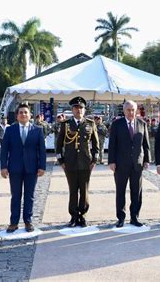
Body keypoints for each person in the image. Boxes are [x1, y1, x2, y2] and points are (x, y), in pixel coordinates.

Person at [0, 103, 46, 233]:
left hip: (32, 168)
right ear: (17, 115)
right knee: (15, 196)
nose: (23, 114)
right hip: (14, 168)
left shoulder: (37, 130)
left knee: (29, 196)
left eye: (26, 112)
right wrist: (3, 167)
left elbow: (41, 150)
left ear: (30, 115)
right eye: (21, 112)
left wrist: (42, 166)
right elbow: (4, 150)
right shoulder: (10, 130)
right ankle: (13, 222)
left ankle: (28, 221)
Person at [55, 96, 99, 227]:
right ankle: (74, 216)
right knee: (73, 190)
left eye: (81, 108)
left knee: (84, 190)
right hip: (70, 163)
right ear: (72, 110)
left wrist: (95, 160)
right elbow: (58, 145)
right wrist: (61, 160)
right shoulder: (66, 125)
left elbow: (96, 144)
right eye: (76, 107)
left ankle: (83, 215)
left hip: (86, 163)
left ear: (84, 110)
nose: (78, 110)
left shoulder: (90, 124)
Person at [108, 100, 150, 227]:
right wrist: (111, 161)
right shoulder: (117, 124)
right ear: (124, 110)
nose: (131, 112)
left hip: (137, 164)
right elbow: (112, 145)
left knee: (136, 192)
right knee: (120, 191)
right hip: (121, 164)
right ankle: (121, 218)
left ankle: (134, 217)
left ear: (136, 110)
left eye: (133, 110)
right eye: (128, 110)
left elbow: (146, 144)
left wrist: (147, 160)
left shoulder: (142, 123)